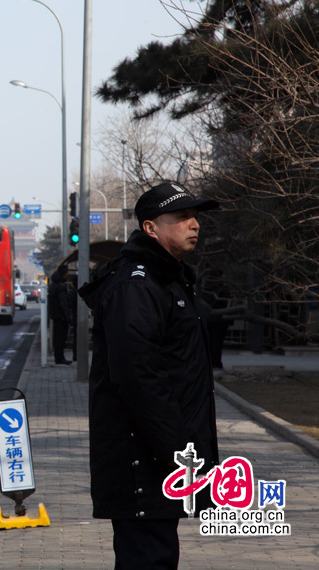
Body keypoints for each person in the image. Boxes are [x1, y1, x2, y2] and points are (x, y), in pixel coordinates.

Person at [78, 182, 221, 569]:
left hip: (163, 458)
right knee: (148, 558)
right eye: (181, 218)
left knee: (156, 555)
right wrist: (180, 453)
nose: (193, 225)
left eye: (195, 217)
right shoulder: (136, 286)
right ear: (150, 228)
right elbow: (139, 378)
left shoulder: (170, 278)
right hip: (143, 463)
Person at [48, 264, 74, 365]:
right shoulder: (61, 286)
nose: (68, 274)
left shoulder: (52, 285)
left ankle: (58, 357)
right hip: (61, 316)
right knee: (61, 338)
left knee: (56, 337)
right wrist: (68, 317)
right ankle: (60, 358)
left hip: (55, 315)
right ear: (64, 273)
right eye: (67, 272)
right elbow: (64, 303)